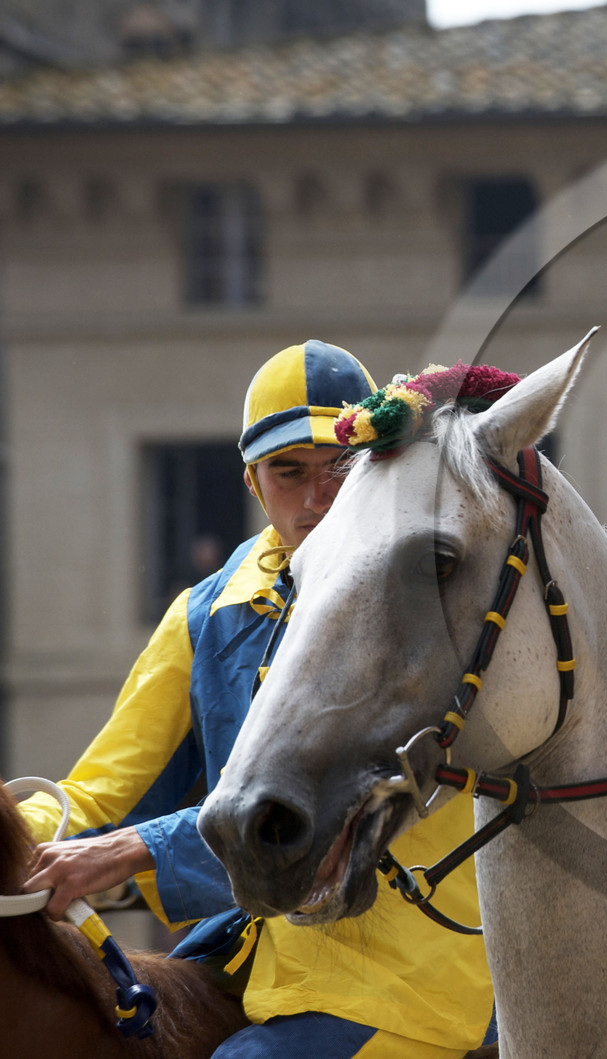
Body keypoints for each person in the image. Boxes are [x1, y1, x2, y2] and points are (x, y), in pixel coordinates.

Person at [19, 341, 496, 1058]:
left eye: (339, 467)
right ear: (252, 481)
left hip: (415, 973)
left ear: (379, 465)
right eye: (288, 472)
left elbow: (327, 811)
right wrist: (9, 834)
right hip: (262, 957)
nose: (316, 497)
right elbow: (100, 793)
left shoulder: (431, 593)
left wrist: (136, 848)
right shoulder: (205, 612)